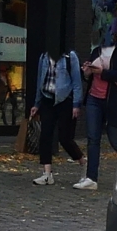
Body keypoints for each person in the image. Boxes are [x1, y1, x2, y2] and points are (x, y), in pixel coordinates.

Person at [75, 34, 117, 190]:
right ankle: (91, 178)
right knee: (92, 138)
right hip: (93, 99)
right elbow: (88, 76)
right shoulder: (96, 50)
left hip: (112, 102)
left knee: (115, 141)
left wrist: (103, 72)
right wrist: (87, 72)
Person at [29, 46, 84, 185]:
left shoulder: (70, 57)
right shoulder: (44, 57)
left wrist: (76, 104)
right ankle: (47, 173)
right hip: (48, 99)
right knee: (45, 135)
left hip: (65, 100)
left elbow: (77, 82)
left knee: (65, 138)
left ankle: (83, 163)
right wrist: (36, 104)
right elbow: (40, 81)